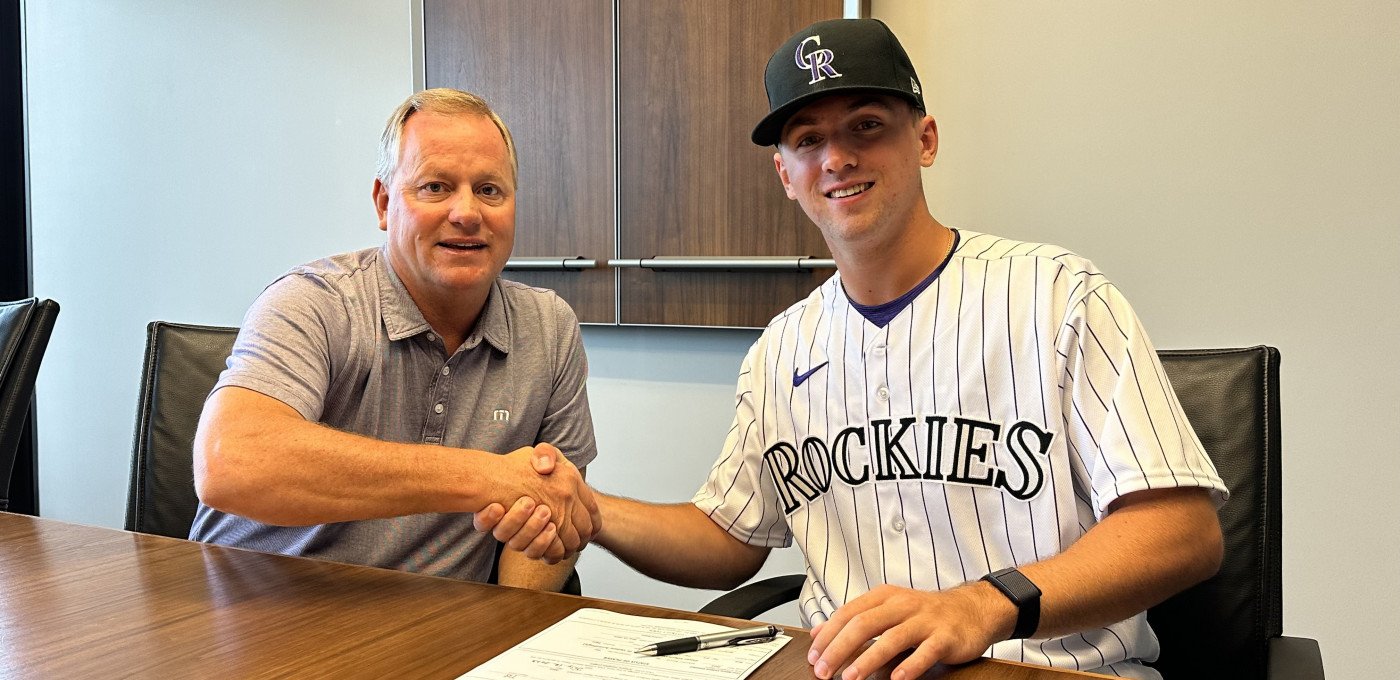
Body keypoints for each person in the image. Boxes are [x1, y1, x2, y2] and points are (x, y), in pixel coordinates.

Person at [486, 18, 1229, 679]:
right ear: (785, 174)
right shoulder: (781, 349)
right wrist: (589, 508)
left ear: (925, 139)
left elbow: (1182, 531)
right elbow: (729, 538)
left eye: (866, 125)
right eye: (808, 140)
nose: (836, 157)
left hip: (1044, 670)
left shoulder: (1058, 296)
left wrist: (981, 605)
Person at [188, 88, 599, 592]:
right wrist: (486, 477)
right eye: (435, 187)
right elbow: (230, 461)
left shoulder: (549, 327)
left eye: (490, 190)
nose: (467, 212)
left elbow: (552, 511)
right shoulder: (314, 302)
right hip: (258, 613)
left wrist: (510, 621)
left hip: (435, 624)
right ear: (384, 203)